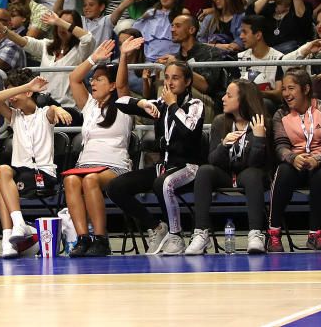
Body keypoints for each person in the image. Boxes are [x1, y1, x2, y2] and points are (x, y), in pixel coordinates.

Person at [108, 60, 204, 255]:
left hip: (188, 168)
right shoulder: (160, 105)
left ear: (187, 82)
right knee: (115, 187)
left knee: (163, 183)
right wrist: (142, 103)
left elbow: (189, 130)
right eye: (166, 77)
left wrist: (173, 105)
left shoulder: (195, 104)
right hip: (163, 167)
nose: (169, 83)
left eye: (175, 78)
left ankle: (176, 236)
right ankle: (158, 227)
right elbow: (120, 102)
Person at [0, 70, 72, 258]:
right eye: (9, 93)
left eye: (14, 93)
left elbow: (53, 111)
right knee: (0, 177)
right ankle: (13, 232)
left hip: (43, 174)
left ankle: (12, 234)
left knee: (0, 182)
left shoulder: (44, 114)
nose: (11, 98)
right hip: (19, 174)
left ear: (29, 93)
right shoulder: (14, 117)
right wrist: (25, 87)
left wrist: (58, 109)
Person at [64, 41, 133, 257]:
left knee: (91, 180)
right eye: (92, 79)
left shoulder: (123, 104)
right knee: (71, 180)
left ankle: (101, 239)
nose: (93, 83)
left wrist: (122, 56)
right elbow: (74, 78)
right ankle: (83, 238)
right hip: (85, 165)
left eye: (99, 79)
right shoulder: (89, 105)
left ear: (111, 86)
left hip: (115, 166)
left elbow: (122, 84)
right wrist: (94, 58)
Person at [184, 80, 269, 255]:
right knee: (205, 170)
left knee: (253, 174)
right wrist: (223, 145)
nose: (223, 98)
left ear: (243, 99)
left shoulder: (261, 123)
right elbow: (213, 160)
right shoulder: (219, 122)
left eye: (229, 95)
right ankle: (201, 233)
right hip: (225, 172)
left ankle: (256, 233)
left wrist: (259, 139)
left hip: (250, 173)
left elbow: (256, 164)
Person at [266, 69, 321, 252]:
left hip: (319, 162)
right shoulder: (280, 114)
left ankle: (315, 234)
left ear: (305, 89)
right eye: (284, 89)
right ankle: (273, 234)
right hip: (294, 162)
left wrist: (319, 158)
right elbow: (280, 145)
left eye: (291, 88)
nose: (286, 94)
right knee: (283, 171)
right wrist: (292, 158)